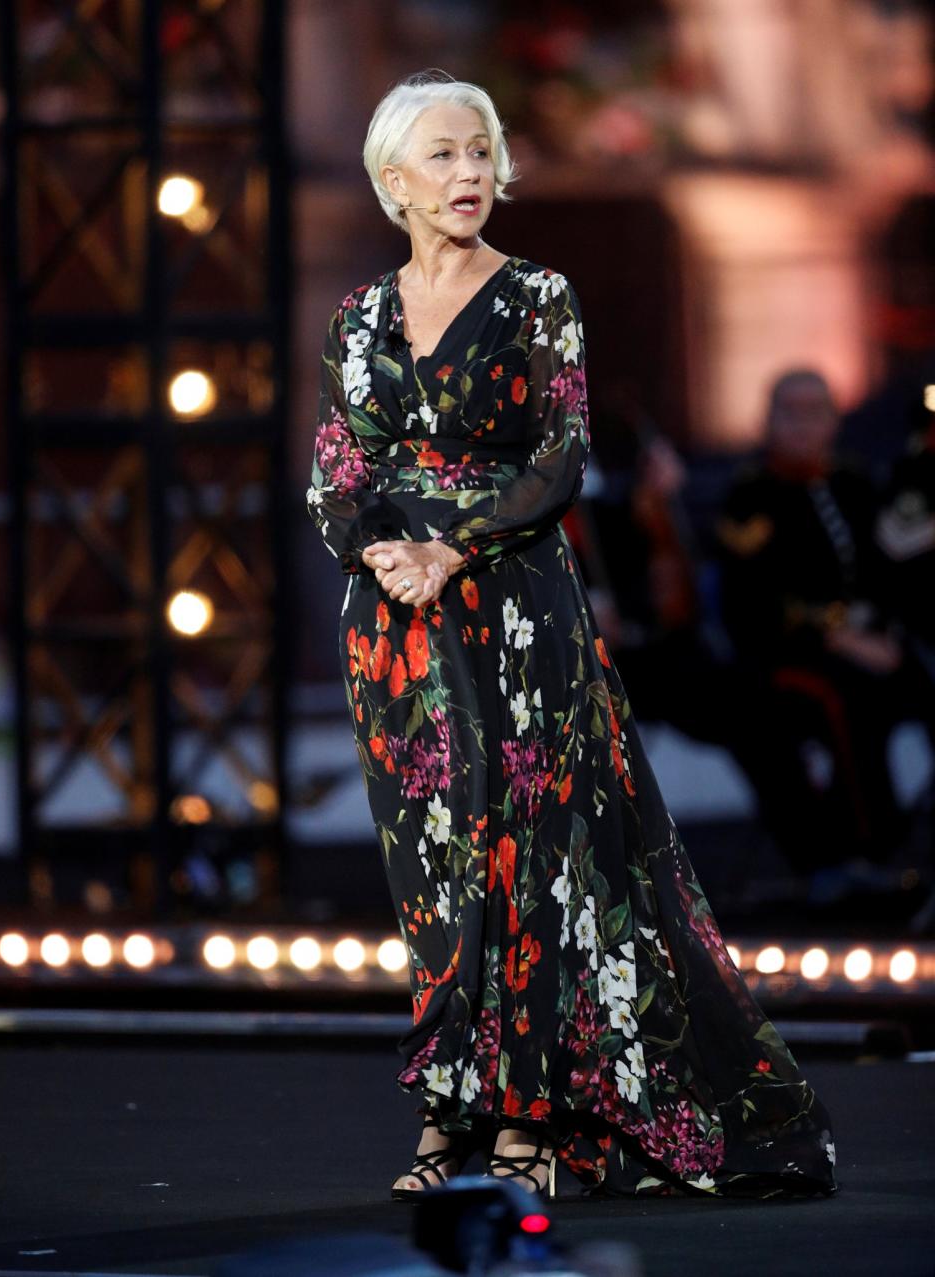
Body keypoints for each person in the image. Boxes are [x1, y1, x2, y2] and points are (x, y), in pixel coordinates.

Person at [306, 70, 836, 1202]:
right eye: (444, 155)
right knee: (439, 871)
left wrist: (449, 544)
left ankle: (530, 1120)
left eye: (482, 152)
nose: (469, 174)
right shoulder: (358, 317)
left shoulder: (539, 295)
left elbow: (561, 457)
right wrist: (380, 555)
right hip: (396, 632)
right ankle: (450, 1114)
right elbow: (336, 473)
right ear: (394, 179)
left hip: (517, 607)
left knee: (536, 854)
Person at [716, 370, 912, 902]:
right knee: (843, 699)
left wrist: (888, 633)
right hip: (786, 655)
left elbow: (888, 568)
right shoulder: (750, 495)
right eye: (790, 412)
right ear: (769, 421)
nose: (803, 426)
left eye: (815, 411)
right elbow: (752, 600)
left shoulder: (853, 482)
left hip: (873, 644)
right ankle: (867, 850)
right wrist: (840, 638)